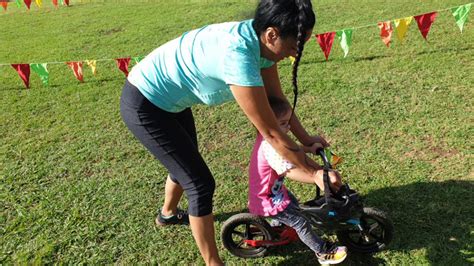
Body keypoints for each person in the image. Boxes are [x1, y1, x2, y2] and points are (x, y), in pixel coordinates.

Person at [120, 0, 341, 264]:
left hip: (171, 99)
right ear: (272, 34)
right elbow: (271, 132)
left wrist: (306, 140)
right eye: (295, 45)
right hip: (146, 103)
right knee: (200, 184)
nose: (295, 54)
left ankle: (167, 214)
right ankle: (214, 262)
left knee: (183, 163)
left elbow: (278, 102)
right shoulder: (239, 56)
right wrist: (315, 172)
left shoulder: (262, 44)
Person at [248, 96, 347, 265]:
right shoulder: (269, 148)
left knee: (295, 207)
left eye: (288, 122)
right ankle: (322, 252)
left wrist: (308, 148)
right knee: (301, 223)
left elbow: (290, 149)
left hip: (275, 192)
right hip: (268, 199)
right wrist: (315, 177)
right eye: (283, 123)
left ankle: (278, 225)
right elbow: (289, 171)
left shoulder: (271, 138)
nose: (288, 127)